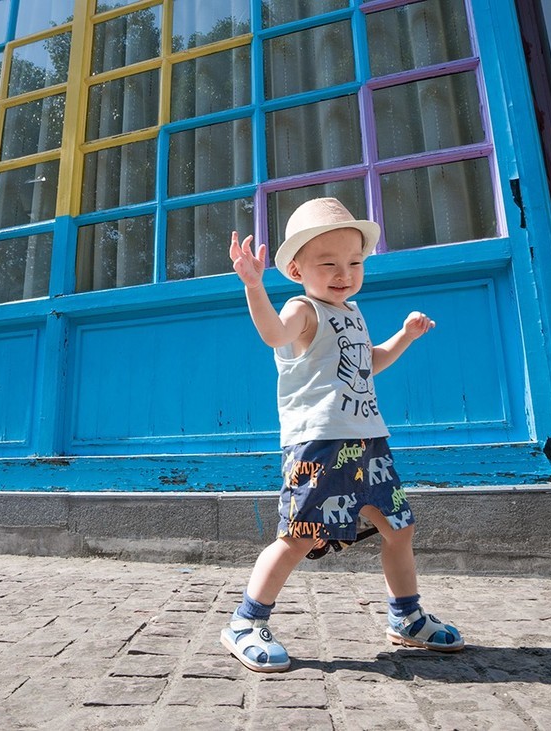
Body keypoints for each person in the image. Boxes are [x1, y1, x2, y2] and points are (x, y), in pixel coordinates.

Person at [220, 197, 464, 673]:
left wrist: (405, 336)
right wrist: (254, 286)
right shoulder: (302, 309)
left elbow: (368, 362)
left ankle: (406, 616)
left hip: (368, 441)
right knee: (299, 536)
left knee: (399, 528)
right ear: (296, 269)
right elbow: (274, 333)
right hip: (320, 443)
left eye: (354, 262)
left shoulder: (351, 312)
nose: (343, 273)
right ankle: (245, 622)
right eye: (328, 263)